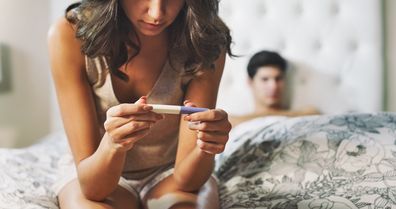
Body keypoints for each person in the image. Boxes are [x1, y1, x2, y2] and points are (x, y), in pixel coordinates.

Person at [48, 1, 233, 209]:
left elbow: (187, 181)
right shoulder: (70, 34)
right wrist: (113, 145)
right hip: (94, 168)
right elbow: (93, 188)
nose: (157, 14)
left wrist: (206, 146)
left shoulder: (205, 38)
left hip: (170, 173)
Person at [229, 50, 319, 127]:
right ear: (250, 82)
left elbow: (313, 114)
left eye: (278, 79)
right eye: (265, 79)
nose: (273, 86)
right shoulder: (232, 122)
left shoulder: (308, 113)